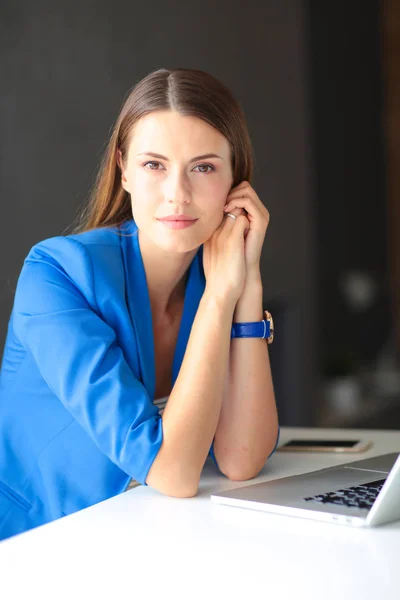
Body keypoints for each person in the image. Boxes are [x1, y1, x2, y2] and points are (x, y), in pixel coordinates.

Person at [0, 67, 279, 540]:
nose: (178, 194)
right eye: (154, 165)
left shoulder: (215, 274)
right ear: (123, 169)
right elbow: (173, 472)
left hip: (143, 531)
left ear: (236, 183)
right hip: (36, 541)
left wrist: (246, 284)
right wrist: (219, 298)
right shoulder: (57, 273)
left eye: (204, 167)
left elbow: (241, 458)